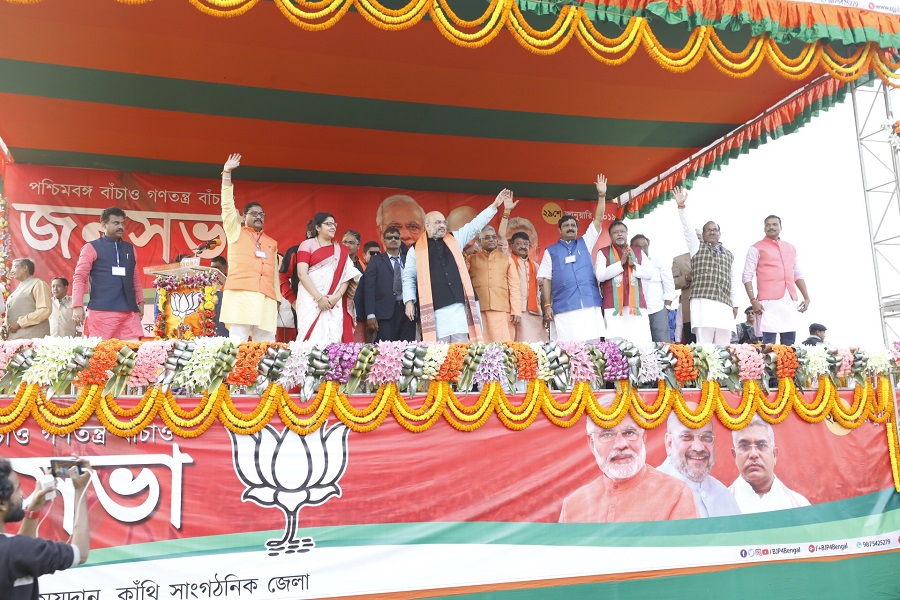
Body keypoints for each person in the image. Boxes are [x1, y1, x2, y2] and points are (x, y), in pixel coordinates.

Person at [559, 402, 699, 523]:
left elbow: (686, 552)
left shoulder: (676, 494)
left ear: (643, 438)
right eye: (607, 434)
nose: (621, 444)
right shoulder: (572, 505)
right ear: (592, 443)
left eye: (630, 433)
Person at [403, 191, 509, 342]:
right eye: (437, 222)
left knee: (461, 351)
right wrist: (409, 301)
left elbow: (475, 225)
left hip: (460, 306)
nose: (442, 225)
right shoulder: (415, 249)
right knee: (440, 352)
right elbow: (408, 276)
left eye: (443, 222)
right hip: (435, 308)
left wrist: (494, 206)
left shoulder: (454, 238)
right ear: (427, 225)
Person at [0, 456, 92, 599]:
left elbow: (19, 554)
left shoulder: (15, 550)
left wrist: (34, 510)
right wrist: (81, 490)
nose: (22, 495)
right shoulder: (16, 549)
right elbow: (80, 553)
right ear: (2, 504)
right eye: (17, 490)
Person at [539, 175, 609, 342]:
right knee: (569, 348)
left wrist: (602, 196)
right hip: (565, 307)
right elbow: (546, 280)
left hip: (589, 302)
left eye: (573, 226)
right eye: (566, 226)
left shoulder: (585, 241)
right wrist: (547, 305)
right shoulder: (551, 251)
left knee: (593, 347)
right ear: (559, 230)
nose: (570, 228)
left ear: (577, 229)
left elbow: (598, 219)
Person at [219, 153, 280, 342]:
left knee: (265, 346)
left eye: (262, 213)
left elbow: (275, 275)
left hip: (265, 299)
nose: (259, 216)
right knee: (238, 344)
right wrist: (227, 174)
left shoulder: (271, 242)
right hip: (241, 296)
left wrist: (276, 299)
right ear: (244, 216)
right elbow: (227, 208)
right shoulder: (235, 231)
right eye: (254, 213)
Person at [674, 187, 739, 344]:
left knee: (724, 348)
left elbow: (732, 280)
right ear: (702, 235)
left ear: (719, 233)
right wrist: (681, 207)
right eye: (708, 230)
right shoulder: (697, 247)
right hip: (703, 304)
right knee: (704, 347)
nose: (711, 232)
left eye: (715, 230)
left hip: (724, 304)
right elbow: (688, 230)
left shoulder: (729, 254)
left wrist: (735, 304)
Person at [71, 208, 145, 340]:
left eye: (122, 223)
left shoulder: (130, 248)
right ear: (104, 225)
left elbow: (135, 277)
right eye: (116, 223)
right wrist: (77, 306)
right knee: (101, 356)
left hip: (129, 313)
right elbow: (80, 277)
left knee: (131, 355)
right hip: (101, 312)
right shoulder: (91, 248)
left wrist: (140, 301)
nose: (120, 227)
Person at [657, 409, 741, 518]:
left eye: (706, 437)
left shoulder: (723, 494)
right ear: (669, 443)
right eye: (687, 437)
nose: (699, 447)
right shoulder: (649, 492)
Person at [742, 216, 810, 346]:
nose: (771, 227)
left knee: (789, 343)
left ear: (781, 227)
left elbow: (797, 274)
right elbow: (746, 276)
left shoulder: (790, 248)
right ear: (764, 228)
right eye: (768, 225)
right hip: (767, 302)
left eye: (774, 224)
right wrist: (753, 301)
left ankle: (787, 367)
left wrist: (806, 298)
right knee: (769, 345)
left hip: (789, 300)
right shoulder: (756, 248)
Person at [295, 213, 361, 343]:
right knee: (309, 342)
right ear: (318, 227)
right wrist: (319, 298)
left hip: (333, 303)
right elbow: (302, 274)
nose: (333, 227)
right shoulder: (307, 244)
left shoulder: (341, 250)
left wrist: (336, 297)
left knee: (332, 342)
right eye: (328, 224)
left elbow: (348, 276)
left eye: (334, 224)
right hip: (310, 300)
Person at [466, 193, 521, 342]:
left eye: (493, 237)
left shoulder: (506, 259)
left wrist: (516, 310)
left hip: (502, 311)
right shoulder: (471, 259)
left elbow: (514, 287)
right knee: (480, 350)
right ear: (479, 241)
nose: (491, 240)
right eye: (486, 237)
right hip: (479, 310)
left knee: (503, 349)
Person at [728, 416, 810, 513]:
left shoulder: (799, 505)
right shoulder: (718, 506)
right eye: (744, 446)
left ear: (774, 455)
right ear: (734, 455)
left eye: (761, 445)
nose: (753, 454)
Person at [595, 220, 652, 343]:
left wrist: (633, 264)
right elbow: (600, 275)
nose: (619, 234)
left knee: (640, 341)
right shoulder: (603, 252)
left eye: (622, 232)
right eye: (615, 232)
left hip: (636, 306)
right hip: (613, 307)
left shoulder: (638, 252)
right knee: (616, 343)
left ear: (627, 234)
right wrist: (620, 263)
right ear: (610, 236)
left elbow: (649, 274)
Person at [363, 227, 416, 342]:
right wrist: (370, 315)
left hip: (408, 310)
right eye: (389, 237)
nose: (393, 239)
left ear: (400, 241)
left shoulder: (408, 260)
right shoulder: (376, 261)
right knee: (386, 350)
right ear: (384, 241)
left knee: (408, 348)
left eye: (396, 237)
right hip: (385, 312)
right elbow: (369, 289)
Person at [630, 235, 675, 343]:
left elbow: (669, 285)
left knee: (662, 345)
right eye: (638, 247)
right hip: (636, 311)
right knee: (639, 344)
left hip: (657, 310)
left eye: (645, 246)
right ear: (631, 248)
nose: (642, 250)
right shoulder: (628, 264)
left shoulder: (658, 262)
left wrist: (666, 307)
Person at [509, 232, 546, 342]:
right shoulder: (508, 261)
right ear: (512, 245)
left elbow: (542, 289)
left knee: (538, 344)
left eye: (526, 244)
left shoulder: (535, 265)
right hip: (516, 310)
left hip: (534, 311)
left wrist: (545, 309)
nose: (523, 247)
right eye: (519, 243)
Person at [4, 259, 51, 341]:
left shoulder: (38, 284)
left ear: (25, 268)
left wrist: (20, 323)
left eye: (14, 267)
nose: (11, 271)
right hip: (14, 339)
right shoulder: (19, 288)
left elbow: (44, 310)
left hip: (31, 339)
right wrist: (5, 326)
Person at [671, 251, 695, 343]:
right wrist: (686, 277)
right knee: (692, 350)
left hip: (711, 311)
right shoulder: (679, 260)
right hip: (689, 311)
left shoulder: (716, 256)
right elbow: (671, 282)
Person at [208, 256, 229, 337]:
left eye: (217, 268)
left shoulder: (230, 283)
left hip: (225, 328)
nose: (214, 271)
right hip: (211, 326)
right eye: (212, 268)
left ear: (225, 268)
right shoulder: (207, 284)